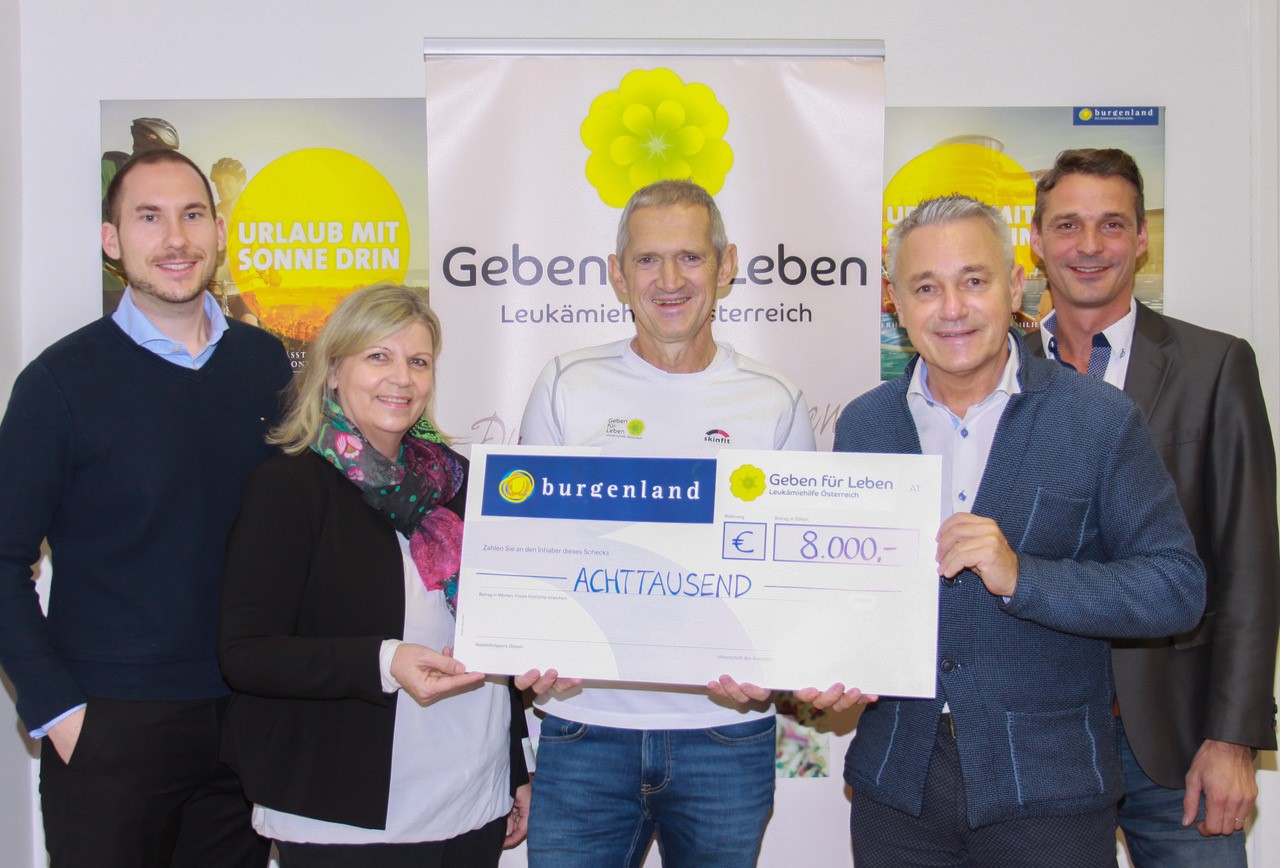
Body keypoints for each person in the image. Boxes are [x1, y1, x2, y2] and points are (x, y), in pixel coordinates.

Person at [824, 194, 1205, 867]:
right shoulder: (864, 424)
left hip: (1051, 795)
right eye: (926, 287)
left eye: (974, 280)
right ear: (895, 302)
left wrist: (1022, 576)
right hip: (897, 791)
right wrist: (816, 662)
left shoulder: (1099, 419)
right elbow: (842, 591)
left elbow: (1175, 588)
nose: (952, 308)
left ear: (1016, 285)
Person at [0, 148, 290, 867]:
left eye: (192, 215)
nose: (176, 239)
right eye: (149, 218)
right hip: (111, 730)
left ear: (219, 231)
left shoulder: (268, 366)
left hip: (248, 724)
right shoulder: (58, 383)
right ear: (112, 240)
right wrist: (59, 713)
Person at [516, 179, 820, 867]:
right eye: (648, 260)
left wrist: (772, 663)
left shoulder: (774, 400)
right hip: (585, 727)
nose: (670, 280)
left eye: (690, 257)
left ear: (726, 264)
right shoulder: (566, 384)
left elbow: (791, 575)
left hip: (726, 734)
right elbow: (533, 553)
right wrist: (527, 641)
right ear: (618, 275)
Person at [1026, 147, 1280, 865]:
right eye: (1067, 225)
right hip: (1039, 740)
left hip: (1179, 743)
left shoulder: (1214, 367)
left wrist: (1233, 739)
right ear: (1037, 241)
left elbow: (1249, 566)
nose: (1089, 245)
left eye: (1111, 224)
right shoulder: (995, 373)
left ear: (1141, 239)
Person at [218, 283, 531, 867]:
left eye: (419, 361)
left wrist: (515, 766)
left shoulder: (461, 481)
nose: (401, 378)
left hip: (471, 795)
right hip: (342, 810)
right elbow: (247, 653)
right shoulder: (287, 488)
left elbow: (493, 631)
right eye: (378, 356)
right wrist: (385, 661)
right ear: (334, 370)